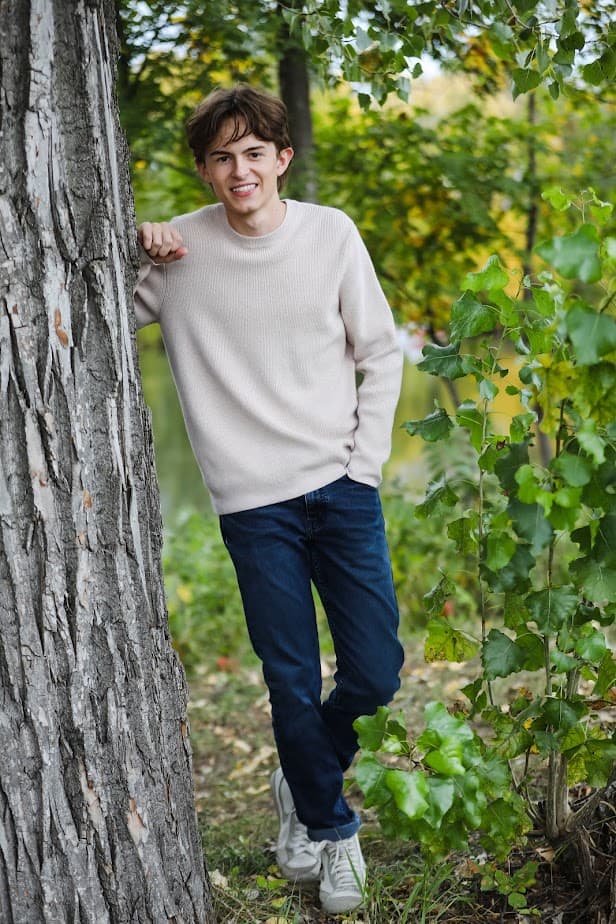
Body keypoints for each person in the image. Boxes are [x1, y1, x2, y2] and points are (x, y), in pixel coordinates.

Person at [134, 84, 404, 915]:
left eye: (254, 152)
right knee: (290, 679)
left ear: (282, 158)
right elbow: (85, 307)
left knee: (377, 672)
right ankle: (331, 830)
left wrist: (364, 467)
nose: (240, 170)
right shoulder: (179, 255)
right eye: (222, 157)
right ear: (205, 170)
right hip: (254, 507)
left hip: (342, 490)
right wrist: (134, 241)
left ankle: (301, 774)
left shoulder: (331, 234)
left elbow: (382, 352)